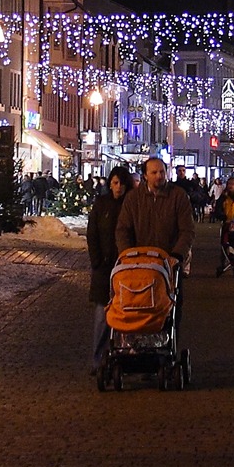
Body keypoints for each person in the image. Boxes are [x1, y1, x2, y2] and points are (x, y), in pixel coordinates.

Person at [87, 166, 130, 373]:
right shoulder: (101, 204)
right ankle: (98, 359)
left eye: (122, 183)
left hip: (126, 268)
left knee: (127, 317)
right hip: (104, 269)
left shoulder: (132, 205)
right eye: (115, 182)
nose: (118, 187)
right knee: (102, 318)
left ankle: (125, 357)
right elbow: (92, 234)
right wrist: (96, 260)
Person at [117, 157, 196, 264]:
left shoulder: (178, 196)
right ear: (145, 175)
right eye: (154, 172)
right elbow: (123, 229)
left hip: (169, 261)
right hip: (139, 262)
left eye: (162, 172)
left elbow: (187, 230)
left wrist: (177, 254)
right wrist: (127, 254)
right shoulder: (133, 197)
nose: (159, 176)